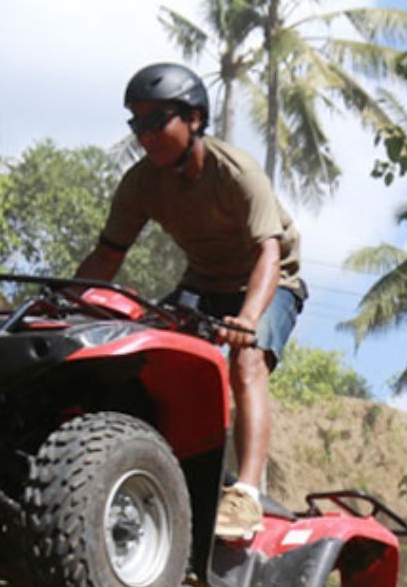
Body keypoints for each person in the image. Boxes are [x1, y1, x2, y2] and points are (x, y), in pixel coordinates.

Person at [74, 62, 306, 542]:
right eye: (137, 124)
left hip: (272, 280)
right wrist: (65, 305)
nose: (146, 136)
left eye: (157, 121)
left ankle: (244, 495)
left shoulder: (236, 172)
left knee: (246, 362)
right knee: (139, 348)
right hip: (204, 281)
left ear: (195, 119)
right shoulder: (141, 184)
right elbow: (106, 256)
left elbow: (270, 251)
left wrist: (246, 318)